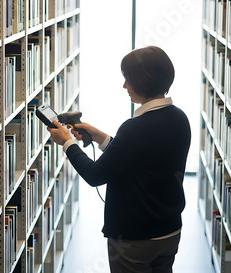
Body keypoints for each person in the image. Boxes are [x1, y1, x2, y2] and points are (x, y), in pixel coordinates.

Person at [47, 46, 191, 273]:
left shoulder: (136, 127)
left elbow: (96, 175)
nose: (124, 85)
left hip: (135, 238)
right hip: (169, 232)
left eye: (127, 79)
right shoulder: (179, 117)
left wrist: (67, 142)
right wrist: (99, 137)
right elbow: (142, 156)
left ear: (142, 81)